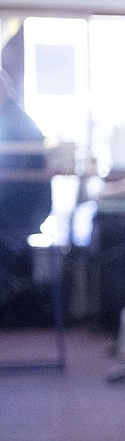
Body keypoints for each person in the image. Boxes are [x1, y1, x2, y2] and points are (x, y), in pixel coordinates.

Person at [0, 68, 51, 319]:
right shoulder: (13, 118)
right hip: (22, 210)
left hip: (21, 214)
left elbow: (9, 181)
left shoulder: (14, 124)